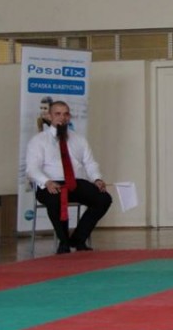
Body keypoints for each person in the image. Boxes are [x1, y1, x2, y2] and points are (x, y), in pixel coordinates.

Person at [26, 101, 112, 254]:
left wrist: (97, 179)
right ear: (49, 116)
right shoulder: (38, 140)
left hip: (74, 182)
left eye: (65, 114)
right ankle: (64, 242)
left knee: (103, 198)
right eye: (57, 114)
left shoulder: (79, 139)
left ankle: (78, 239)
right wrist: (47, 182)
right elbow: (32, 168)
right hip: (51, 184)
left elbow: (90, 163)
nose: (62, 118)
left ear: (69, 117)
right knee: (56, 199)